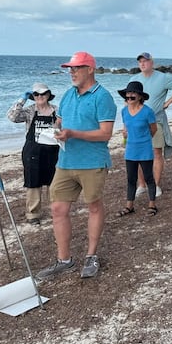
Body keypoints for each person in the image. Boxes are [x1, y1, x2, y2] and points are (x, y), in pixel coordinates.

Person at [35, 52, 117, 281]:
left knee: (94, 207)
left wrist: (73, 133)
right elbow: (59, 121)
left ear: (90, 69)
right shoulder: (68, 94)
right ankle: (64, 260)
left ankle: (91, 256)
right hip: (65, 161)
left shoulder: (103, 97)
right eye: (70, 69)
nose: (71, 72)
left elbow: (105, 134)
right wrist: (55, 132)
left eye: (76, 68)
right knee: (57, 209)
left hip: (92, 162)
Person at [129, 52, 172, 198]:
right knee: (138, 154)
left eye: (145, 61)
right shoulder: (134, 79)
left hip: (156, 121)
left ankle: (155, 185)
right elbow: (129, 100)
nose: (142, 64)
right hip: (137, 123)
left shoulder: (163, 78)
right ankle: (142, 185)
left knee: (156, 153)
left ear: (152, 62)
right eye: (140, 62)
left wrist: (168, 102)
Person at [6, 82, 59, 225]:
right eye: (36, 94)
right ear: (33, 96)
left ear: (48, 95)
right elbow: (12, 117)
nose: (40, 96)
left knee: (54, 182)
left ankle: (56, 211)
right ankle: (33, 214)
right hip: (32, 151)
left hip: (53, 151)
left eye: (43, 93)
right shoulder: (29, 111)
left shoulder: (57, 110)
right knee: (33, 182)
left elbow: (64, 126)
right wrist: (22, 99)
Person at [117, 81, 158, 217]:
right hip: (130, 150)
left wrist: (144, 139)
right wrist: (125, 135)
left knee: (148, 178)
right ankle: (129, 206)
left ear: (140, 96)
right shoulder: (124, 111)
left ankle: (152, 205)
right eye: (127, 95)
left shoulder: (148, 112)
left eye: (133, 95)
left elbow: (154, 129)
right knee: (131, 179)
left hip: (145, 149)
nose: (129, 97)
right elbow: (126, 127)